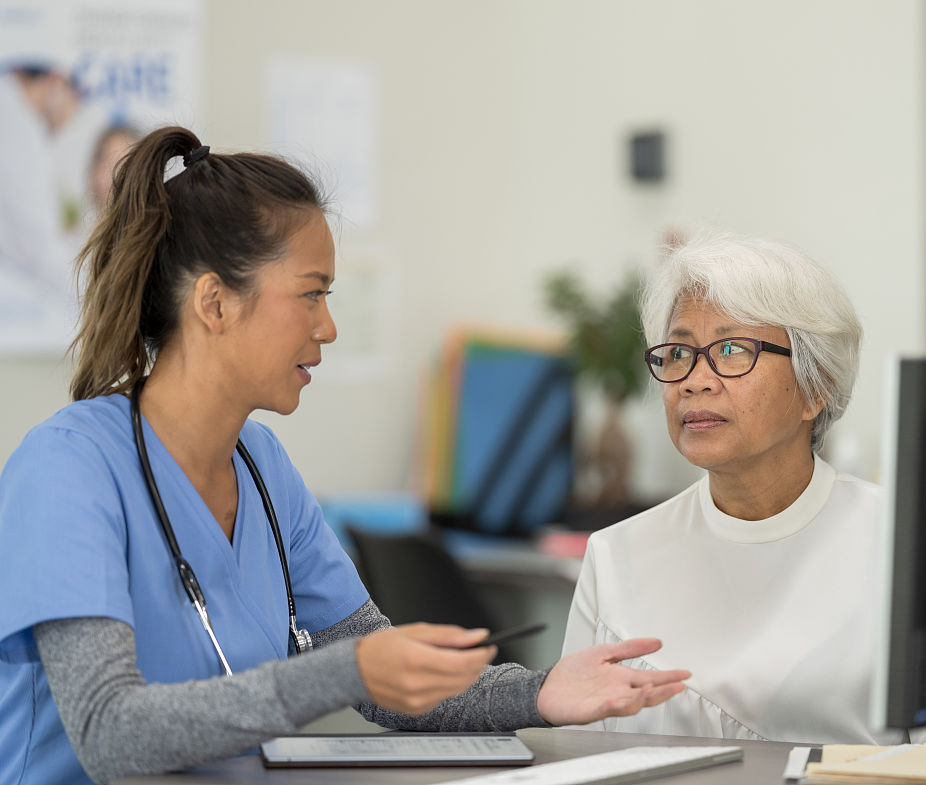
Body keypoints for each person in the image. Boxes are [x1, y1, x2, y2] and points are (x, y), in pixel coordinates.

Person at [0, 126, 690, 785]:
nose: (327, 327)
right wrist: (347, 669)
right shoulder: (68, 469)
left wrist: (543, 691)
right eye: (311, 294)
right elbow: (107, 728)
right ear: (214, 302)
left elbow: (379, 681)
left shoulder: (263, 470)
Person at [561, 232, 926, 745]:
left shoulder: (912, 547)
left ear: (816, 386)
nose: (695, 380)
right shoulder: (615, 556)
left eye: (731, 349)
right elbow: (579, 754)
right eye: (678, 353)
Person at [0, 62, 82, 350]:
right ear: (56, 83)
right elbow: (40, 249)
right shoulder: (18, 125)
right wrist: (104, 295)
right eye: (73, 106)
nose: (68, 119)